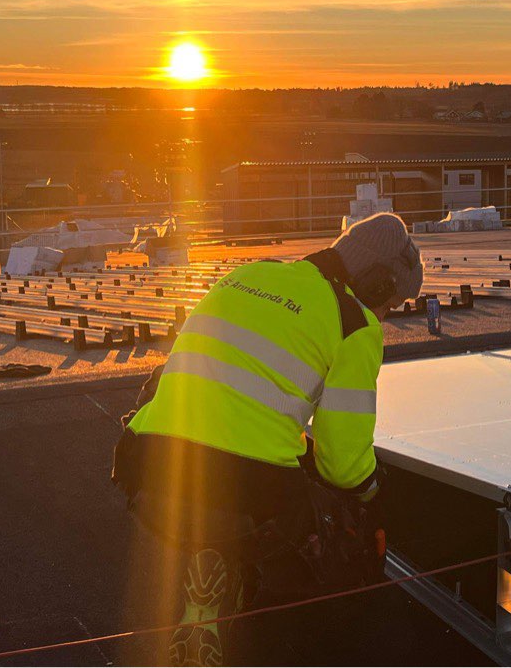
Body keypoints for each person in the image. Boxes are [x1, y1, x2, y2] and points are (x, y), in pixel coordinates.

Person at [112, 212, 423, 666]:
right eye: (390, 303)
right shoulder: (355, 322)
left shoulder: (249, 274)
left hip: (149, 469)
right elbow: (344, 464)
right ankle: (276, 624)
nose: (385, 315)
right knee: (334, 516)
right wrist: (374, 494)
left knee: (254, 453)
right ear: (377, 285)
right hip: (246, 498)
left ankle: (218, 566)